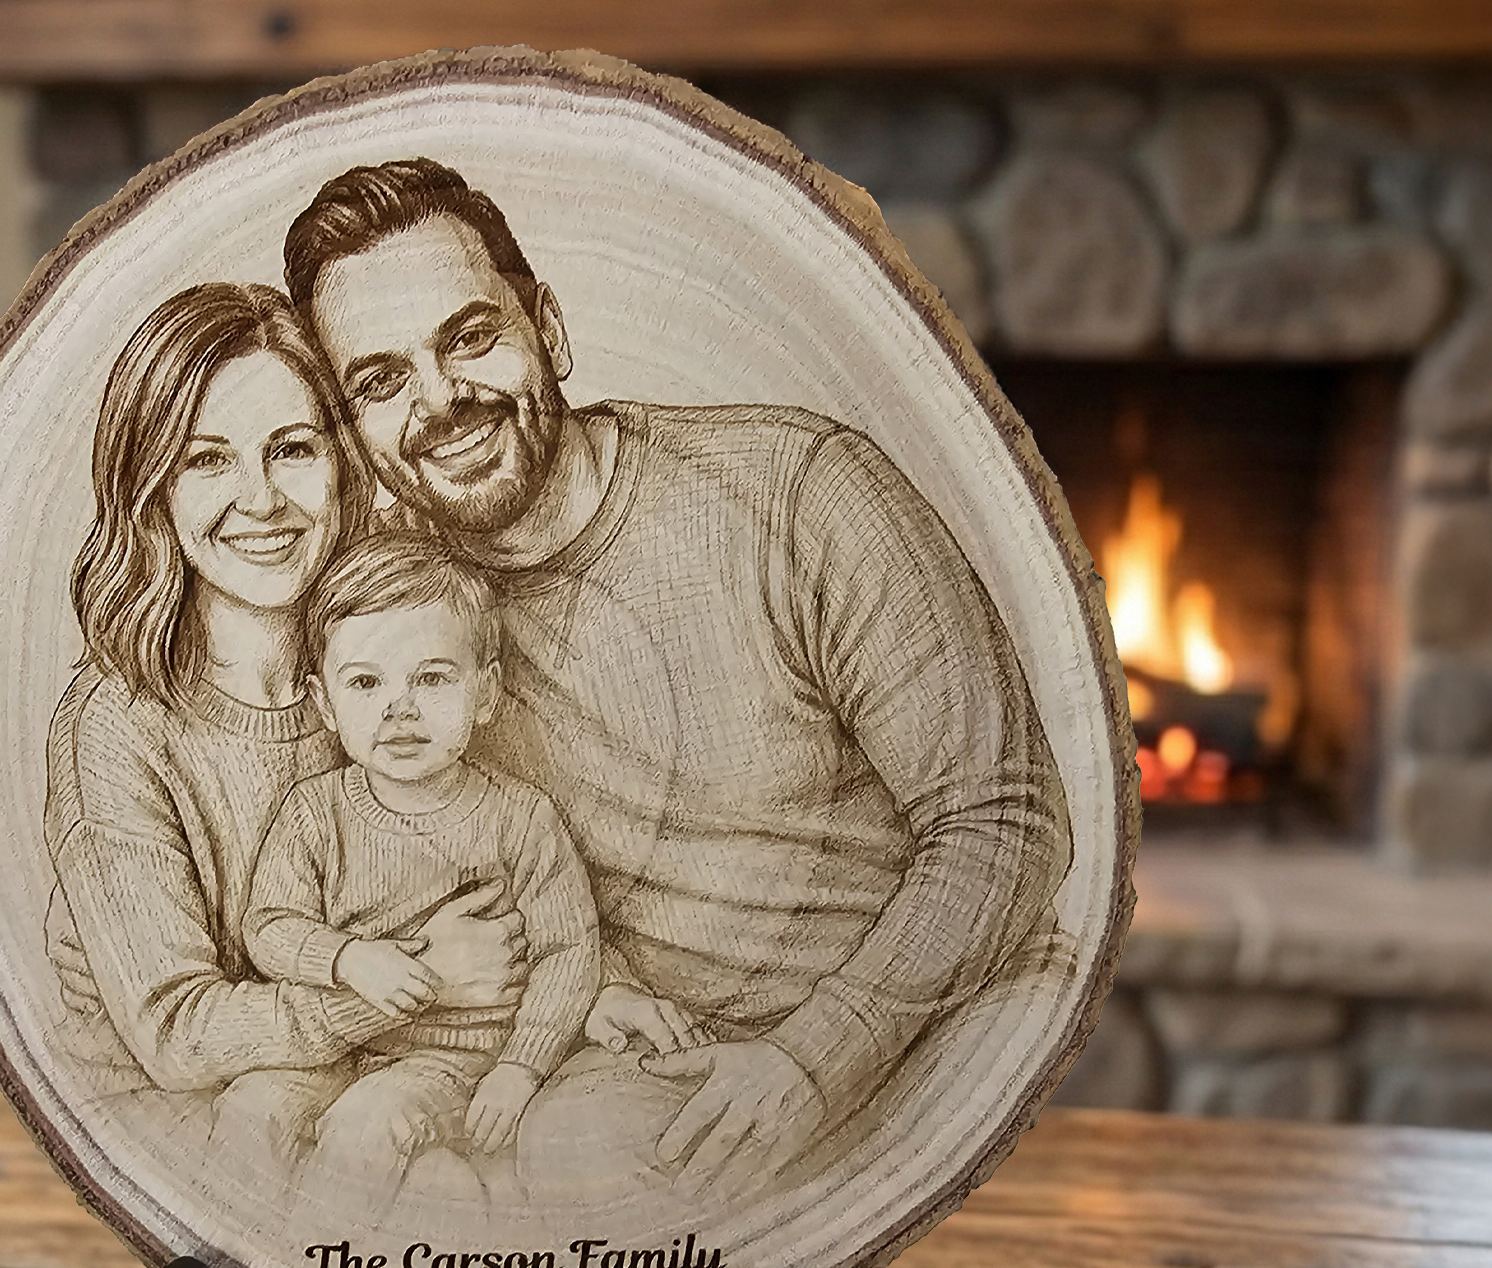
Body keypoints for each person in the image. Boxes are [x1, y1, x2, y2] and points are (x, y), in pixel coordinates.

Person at [281, 158, 1074, 1203]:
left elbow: (1007, 818)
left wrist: (814, 1058)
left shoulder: (796, 489)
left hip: (934, 1014)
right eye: (380, 382)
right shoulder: (397, 633)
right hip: (668, 1070)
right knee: (549, 1177)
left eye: (471, 337)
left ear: (548, 332)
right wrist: (588, 986)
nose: (441, 402)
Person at [43, 281, 525, 1132]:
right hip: (165, 1142)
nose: (261, 499)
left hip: (370, 1101)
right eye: (206, 459)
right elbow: (176, 1036)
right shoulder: (116, 724)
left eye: (293, 449)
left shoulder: (391, 658)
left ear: (342, 466)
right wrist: (421, 980)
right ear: (151, 489)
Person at [232, 536, 679, 1202]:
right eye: (365, 682)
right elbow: (267, 926)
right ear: (324, 704)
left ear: (487, 693)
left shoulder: (519, 817)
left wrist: (521, 1069)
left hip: (463, 1058)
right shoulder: (313, 811)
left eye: (432, 678)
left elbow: (569, 953)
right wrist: (348, 958)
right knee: (250, 1107)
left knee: (368, 1123)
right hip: (342, 1044)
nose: (399, 708)